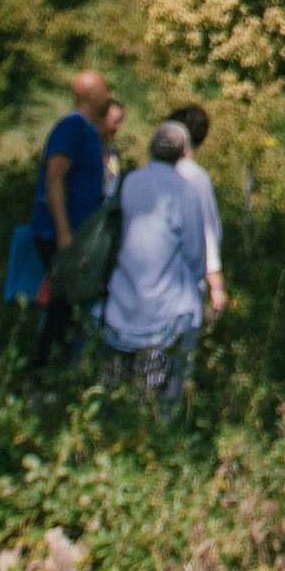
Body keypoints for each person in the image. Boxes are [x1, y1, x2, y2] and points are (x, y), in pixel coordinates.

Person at [98, 120, 208, 422]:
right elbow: (196, 255)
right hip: (167, 307)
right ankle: (161, 427)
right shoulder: (185, 191)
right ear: (182, 153)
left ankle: (112, 428)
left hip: (124, 299)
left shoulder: (130, 180)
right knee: (163, 392)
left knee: (115, 388)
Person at [30, 68, 113, 370]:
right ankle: (43, 375)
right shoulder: (72, 127)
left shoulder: (89, 131)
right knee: (61, 304)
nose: (110, 96)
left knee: (67, 306)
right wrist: (64, 234)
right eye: (106, 90)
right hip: (59, 234)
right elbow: (54, 178)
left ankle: (59, 371)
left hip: (77, 234)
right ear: (91, 95)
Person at [165, 102, 227, 319]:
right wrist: (217, 285)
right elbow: (208, 231)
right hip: (184, 283)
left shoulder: (153, 170)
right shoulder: (195, 177)